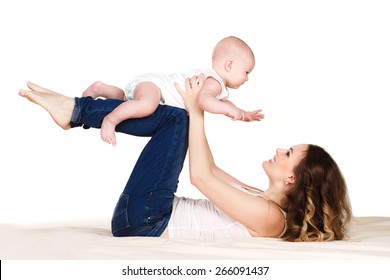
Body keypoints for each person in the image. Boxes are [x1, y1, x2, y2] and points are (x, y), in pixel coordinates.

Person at [19, 77, 352, 242]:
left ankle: (76, 111)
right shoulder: (261, 200)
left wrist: (195, 110)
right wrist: (197, 112)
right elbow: (211, 170)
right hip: (144, 215)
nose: (280, 150)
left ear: (292, 178)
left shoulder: (270, 218)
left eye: (289, 153)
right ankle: (75, 111)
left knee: (176, 119)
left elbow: (200, 179)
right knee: (178, 118)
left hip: (148, 221)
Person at [82, 36, 263, 146]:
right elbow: (205, 101)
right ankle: (110, 120)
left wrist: (242, 113)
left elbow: (222, 102)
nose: (247, 78)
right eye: (246, 72)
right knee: (146, 105)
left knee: (127, 101)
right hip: (155, 86)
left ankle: (101, 88)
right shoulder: (213, 81)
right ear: (230, 65)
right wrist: (230, 111)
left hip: (149, 86)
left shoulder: (217, 85)